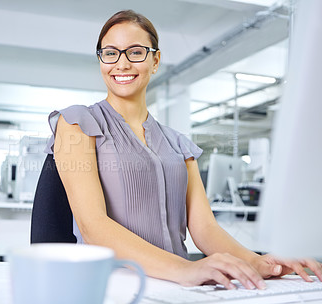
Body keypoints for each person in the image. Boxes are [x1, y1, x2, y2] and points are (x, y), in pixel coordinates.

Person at [46, 10, 322, 289]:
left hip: (178, 287)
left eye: (136, 52)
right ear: (101, 60)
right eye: (110, 53)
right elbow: (93, 228)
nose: (122, 63)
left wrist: (260, 262)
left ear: (155, 61)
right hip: (114, 284)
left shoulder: (178, 144)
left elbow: (204, 229)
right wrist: (186, 269)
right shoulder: (77, 123)